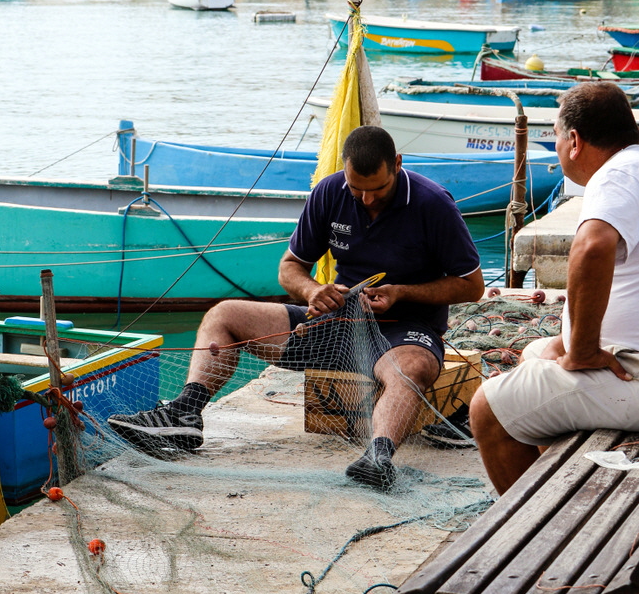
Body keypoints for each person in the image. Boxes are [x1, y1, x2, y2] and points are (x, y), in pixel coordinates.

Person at [109, 126, 484, 491]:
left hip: (403, 331)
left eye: (378, 189)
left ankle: (378, 456)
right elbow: (289, 268)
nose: (367, 199)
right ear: (344, 171)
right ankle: (184, 413)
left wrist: (400, 292)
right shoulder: (329, 192)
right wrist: (313, 291)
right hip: (335, 324)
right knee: (223, 315)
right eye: (357, 189)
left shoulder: (433, 204)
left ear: (398, 164)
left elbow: (472, 285)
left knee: (410, 370)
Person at [470, 81, 639, 495]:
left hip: (632, 371)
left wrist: (581, 350)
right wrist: (568, 343)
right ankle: (561, 486)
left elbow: (592, 247)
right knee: (537, 352)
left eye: (557, 137)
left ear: (575, 141)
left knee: (487, 409)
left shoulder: (617, 175)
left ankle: (534, 522)